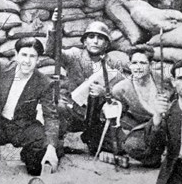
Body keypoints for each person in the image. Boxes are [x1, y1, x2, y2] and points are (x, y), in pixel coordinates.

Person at [0, 37, 60, 184]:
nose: (27, 61)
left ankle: (28, 155)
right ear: (16, 55)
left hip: (23, 127)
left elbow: (51, 116)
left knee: (35, 167)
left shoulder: (44, 82)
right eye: (24, 55)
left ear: (38, 59)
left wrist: (51, 147)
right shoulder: (0, 67)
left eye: (32, 56)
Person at [46, 19, 125, 150]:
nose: (95, 41)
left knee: (116, 148)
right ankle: (58, 141)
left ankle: (91, 139)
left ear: (106, 44)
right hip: (74, 111)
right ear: (84, 41)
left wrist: (105, 92)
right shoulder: (74, 55)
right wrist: (54, 26)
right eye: (91, 37)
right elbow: (52, 52)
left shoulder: (113, 63)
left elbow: (121, 91)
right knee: (58, 106)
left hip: (98, 115)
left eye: (100, 38)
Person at [111, 45, 173, 166]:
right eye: (134, 63)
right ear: (129, 65)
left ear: (150, 65)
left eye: (143, 63)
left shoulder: (163, 80)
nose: (138, 67)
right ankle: (153, 157)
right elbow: (120, 116)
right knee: (131, 145)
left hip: (168, 123)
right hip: (145, 128)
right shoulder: (121, 89)